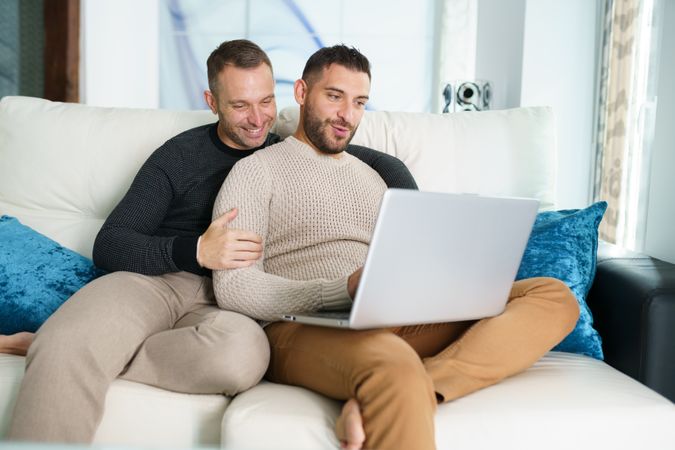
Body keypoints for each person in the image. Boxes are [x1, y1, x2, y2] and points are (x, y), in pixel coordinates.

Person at [7, 39, 414, 443]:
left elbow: (341, 145)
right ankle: (73, 349)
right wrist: (196, 250)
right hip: (157, 280)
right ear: (212, 101)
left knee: (242, 358)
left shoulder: (281, 150)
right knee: (69, 347)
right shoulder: (179, 156)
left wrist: (400, 184)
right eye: (240, 106)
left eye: (266, 102)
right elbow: (111, 243)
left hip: (227, 298)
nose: (257, 120)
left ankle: (96, 352)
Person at [210, 44, 580, 450]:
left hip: (387, 315)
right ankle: (403, 381)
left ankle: (425, 384)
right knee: (392, 362)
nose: (346, 115)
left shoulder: (375, 178)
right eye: (334, 96)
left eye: (359, 102)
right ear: (301, 92)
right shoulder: (255, 171)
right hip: (299, 327)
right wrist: (339, 289)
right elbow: (234, 287)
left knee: (553, 296)